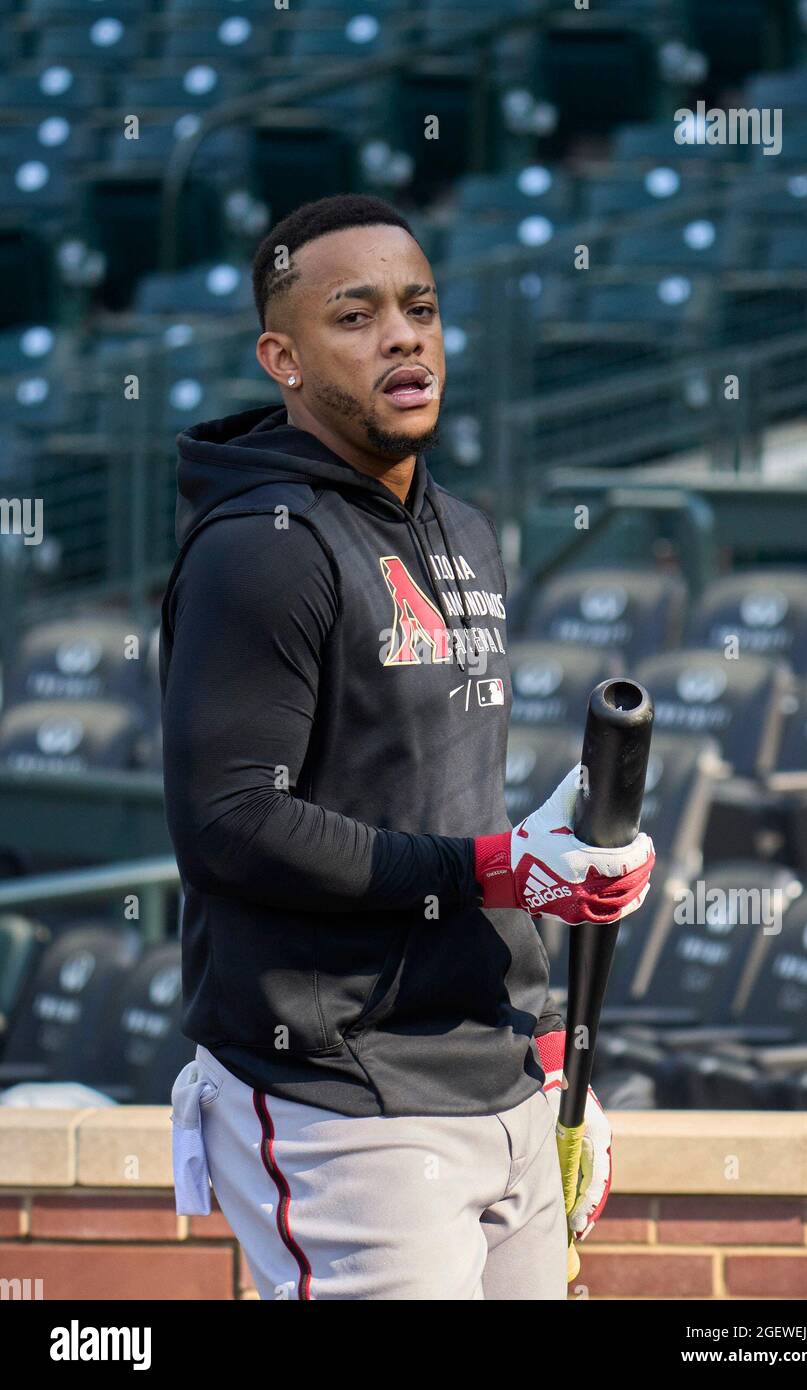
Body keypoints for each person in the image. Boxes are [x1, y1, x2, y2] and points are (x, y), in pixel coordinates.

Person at [162, 194, 655, 1300]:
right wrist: (492, 866)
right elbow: (229, 822)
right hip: (340, 1097)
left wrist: (545, 1044)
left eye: (419, 307)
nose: (402, 335)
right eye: (357, 315)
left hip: (496, 1084)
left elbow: (445, 801)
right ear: (280, 358)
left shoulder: (463, 529)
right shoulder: (259, 550)